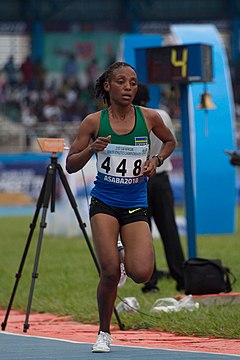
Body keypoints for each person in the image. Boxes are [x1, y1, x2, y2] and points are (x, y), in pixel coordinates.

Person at [66, 62, 176, 353]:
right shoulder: (93, 122)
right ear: (107, 86)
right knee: (110, 272)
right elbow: (70, 164)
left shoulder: (149, 117)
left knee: (142, 273)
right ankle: (103, 332)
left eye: (133, 83)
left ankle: (123, 252)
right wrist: (91, 149)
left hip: (136, 202)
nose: (128, 88)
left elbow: (170, 141)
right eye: (121, 82)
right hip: (104, 202)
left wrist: (157, 161)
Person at [133, 83, 185, 293]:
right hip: (161, 178)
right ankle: (181, 278)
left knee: (143, 233)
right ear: (147, 99)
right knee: (169, 230)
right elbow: (170, 142)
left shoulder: (132, 119)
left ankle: (150, 281)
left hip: (140, 180)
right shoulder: (162, 115)